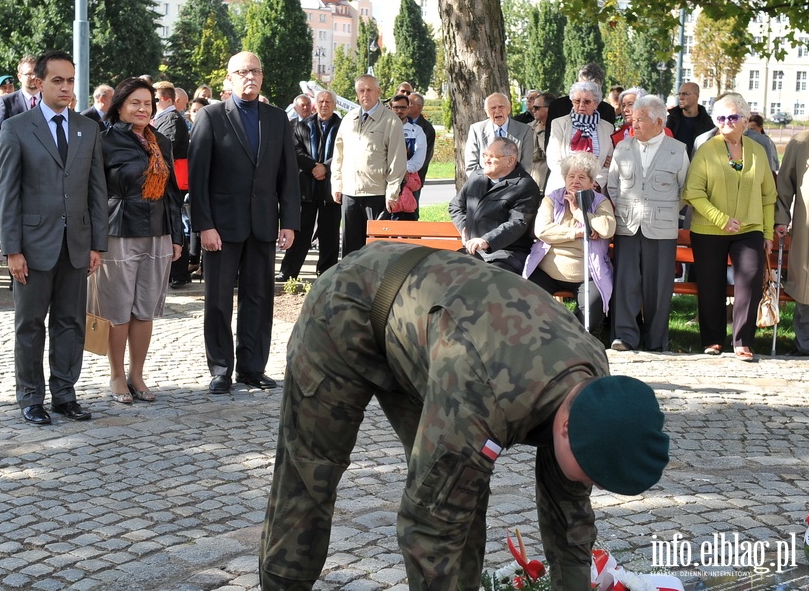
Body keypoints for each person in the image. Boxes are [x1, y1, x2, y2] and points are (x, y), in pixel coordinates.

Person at [259, 242, 670, 591]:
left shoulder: (592, 388)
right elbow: (429, 529)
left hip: (434, 330)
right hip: (348, 307)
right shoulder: (485, 393)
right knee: (311, 471)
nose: (590, 485)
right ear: (565, 426)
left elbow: (569, 512)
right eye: (592, 474)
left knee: (463, 496)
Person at [0, 50, 108, 425]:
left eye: (70, 80)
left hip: (76, 245)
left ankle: (64, 394)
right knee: (30, 325)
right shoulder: (16, 127)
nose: (65, 87)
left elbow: (96, 190)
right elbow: (8, 193)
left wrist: (97, 244)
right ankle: (30, 397)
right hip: (31, 246)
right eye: (57, 80)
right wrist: (12, 249)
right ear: (39, 83)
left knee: (70, 322)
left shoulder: (88, 128)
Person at [188, 51, 300, 394]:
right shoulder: (210, 116)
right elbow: (198, 179)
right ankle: (221, 368)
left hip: (264, 224)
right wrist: (204, 225)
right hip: (222, 227)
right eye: (242, 72)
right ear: (229, 79)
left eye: (255, 71)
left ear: (262, 76)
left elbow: (288, 177)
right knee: (219, 300)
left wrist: (290, 222)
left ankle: (253, 368)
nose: (249, 77)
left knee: (259, 298)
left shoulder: (277, 118)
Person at [95, 77, 183, 404]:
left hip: (157, 232)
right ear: (119, 107)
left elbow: (173, 193)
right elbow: (95, 193)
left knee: (145, 308)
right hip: (118, 230)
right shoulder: (103, 141)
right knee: (118, 309)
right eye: (135, 103)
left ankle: (137, 374)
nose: (143, 108)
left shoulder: (161, 140)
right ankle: (116, 375)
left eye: (148, 103)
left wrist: (177, 236)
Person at [682, 92, 776, 362]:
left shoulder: (757, 151)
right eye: (720, 117)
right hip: (709, 229)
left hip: (750, 228)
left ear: (745, 119)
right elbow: (693, 192)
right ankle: (712, 340)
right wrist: (721, 218)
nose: (726, 122)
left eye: (732, 117)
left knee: (749, 280)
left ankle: (743, 341)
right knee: (711, 285)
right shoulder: (707, 149)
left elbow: (769, 196)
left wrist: (767, 233)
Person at [607, 95, 689, 352]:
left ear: (659, 122)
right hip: (628, 225)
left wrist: (665, 210)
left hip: (661, 228)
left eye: (641, 119)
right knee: (626, 283)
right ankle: (625, 337)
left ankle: (656, 341)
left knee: (658, 287)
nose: (635, 123)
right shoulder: (623, 147)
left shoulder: (678, 149)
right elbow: (612, 185)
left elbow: (685, 190)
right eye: (633, 118)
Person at [524, 152, 616, 332]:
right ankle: (544, 337)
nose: (575, 181)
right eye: (570, 176)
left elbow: (607, 229)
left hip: (587, 275)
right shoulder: (552, 199)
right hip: (547, 272)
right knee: (528, 301)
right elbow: (542, 231)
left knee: (591, 312)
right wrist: (580, 232)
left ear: (591, 182)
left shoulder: (599, 202)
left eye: (582, 177)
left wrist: (578, 213)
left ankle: (570, 338)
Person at [331, 74, 406, 258]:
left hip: (377, 194)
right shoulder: (348, 119)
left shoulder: (390, 121)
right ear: (357, 94)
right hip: (350, 193)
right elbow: (338, 155)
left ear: (378, 92)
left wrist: (392, 192)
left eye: (369, 90)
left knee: (375, 249)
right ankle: (351, 284)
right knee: (350, 249)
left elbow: (397, 160)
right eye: (361, 90)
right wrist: (337, 184)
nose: (365, 94)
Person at [449, 138, 541, 274]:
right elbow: (456, 206)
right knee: (445, 275)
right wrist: (465, 228)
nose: (486, 160)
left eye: (492, 157)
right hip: (473, 251)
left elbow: (517, 223)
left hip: (506, 254)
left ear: (510, 161)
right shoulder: (477, 177)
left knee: (485, 278)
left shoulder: (525, 186)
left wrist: (487, 241)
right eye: (485, 155)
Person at [277, 89, 341, 282]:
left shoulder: (343, 126)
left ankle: (326, 274)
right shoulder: (303, 125)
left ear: (334, 104)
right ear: (316, 104)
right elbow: (295, 149)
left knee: (329, 232)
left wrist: (326, 168)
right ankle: (289, 272)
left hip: (332, 186)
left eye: (328, 101)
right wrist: (314, 166)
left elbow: (346, 151)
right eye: (321, 101)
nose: (324, 104)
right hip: (307, 186)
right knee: (301, 231)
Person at [152, 80, 191, 289]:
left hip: (171, 180)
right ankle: (176, 272)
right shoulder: (164, 117)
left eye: (155, 99)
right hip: (164, 180)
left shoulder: (172, 118)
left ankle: (179, 272)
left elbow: (164, 147)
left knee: (175, 224)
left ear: (165, 99)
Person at [544, 81, 615, 194]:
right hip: (562, 187)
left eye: (587, 101)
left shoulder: (608, 128)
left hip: (594, 190)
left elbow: (609, 163)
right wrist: (573, 182)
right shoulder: (559, 124)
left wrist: (594, 182)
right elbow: (554, 159)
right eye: (577, 101)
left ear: (596, 103)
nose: (581, 105)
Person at [775, 130, 809, 356]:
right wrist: (781, 219)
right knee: (806, 289)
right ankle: (805, 344)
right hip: (806, 229)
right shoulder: (801, 141)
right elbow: (784, 185)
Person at [544, 63, 616, 149]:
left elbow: (609, 146)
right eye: (583, 85)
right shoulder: (558, 107)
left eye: (592, 87)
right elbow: (550, 146)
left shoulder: (607, 111)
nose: (586, 90)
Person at [465, 92, 534, 175]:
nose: (497, 111)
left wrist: (511, 185)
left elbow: (526, 165)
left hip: (515, 185)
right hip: (484, 184)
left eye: (501, 107)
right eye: (493, 108)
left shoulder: (525, 130)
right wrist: (490, 183)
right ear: (486, 112)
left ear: (508, 109)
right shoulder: (476, 130)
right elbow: (471, 166)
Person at [389, 94, 427, 220]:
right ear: (391, 108)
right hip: (386, 182)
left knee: (410, 224)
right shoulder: (384, 129)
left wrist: (402, 171)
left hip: (409, 182)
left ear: (408, 108)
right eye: (396, 107)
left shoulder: (417, 131)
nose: (399, 110)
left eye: (403, 107)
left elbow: (419, 157)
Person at [666, 82, 714, 157]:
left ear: (696, 96)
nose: (681, 97)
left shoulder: (707, 124)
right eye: (679, 94)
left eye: (685, 94)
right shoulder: (670, 120)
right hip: (673, 165)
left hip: (697, 165)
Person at [0, 55, 42, 125]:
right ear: (19, 77)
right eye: (29, 74)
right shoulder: (7, 102)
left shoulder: (50, 100)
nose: (34, 77)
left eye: (36, 73)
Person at [530, 92, 554, 192]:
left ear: (548, 108)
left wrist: (541, 133)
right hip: (531, 183)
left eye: (536, 108)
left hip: (548, 183)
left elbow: (550, 153)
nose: (533, 110)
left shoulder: (558, 128)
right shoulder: (529, 127)